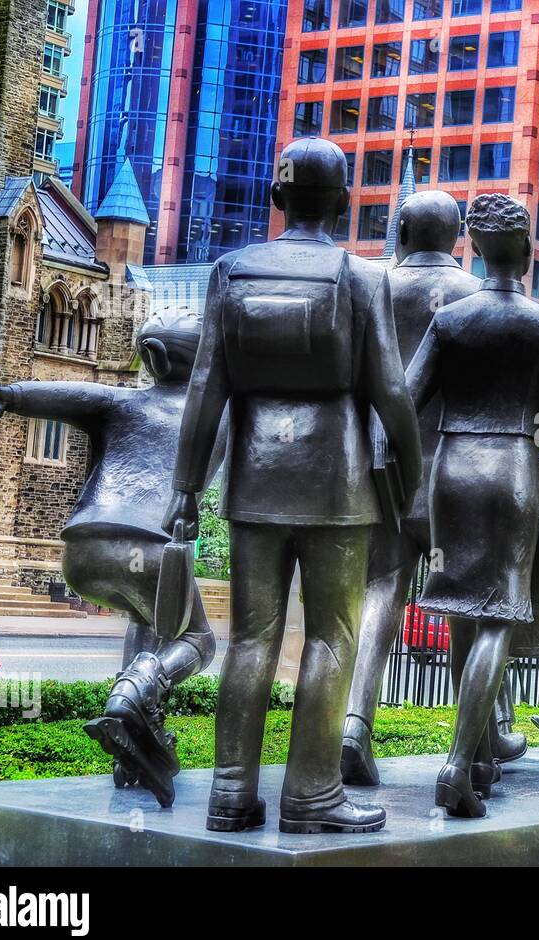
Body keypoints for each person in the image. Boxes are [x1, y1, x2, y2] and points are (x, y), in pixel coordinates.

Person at [164, 136, 423, 834]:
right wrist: (414, 475)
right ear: (343, 202)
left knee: (250, 639)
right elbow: (392, 391)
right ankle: (311, 794)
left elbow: (205, 386)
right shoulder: (361, 277)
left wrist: (186, 485)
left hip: (254, 481)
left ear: (276, 199)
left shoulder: (229, 271)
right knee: (333, 637)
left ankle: (229, 792)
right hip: (335, 485)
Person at [0, 310, 221, 806]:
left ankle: (130, 752)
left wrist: (7, 395)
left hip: (80, 552)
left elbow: (70, 395)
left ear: (152, 358)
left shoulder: (121, 402)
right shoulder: (219, 416)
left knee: (146, 625)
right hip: (151, 547)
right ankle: (137, 690)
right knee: (199, 641)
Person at [408, 193, 539, 818]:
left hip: (452, 468)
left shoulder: (449, 320)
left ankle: (483, 753)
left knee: (463, 609)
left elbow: (406, 397)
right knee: (496, 613)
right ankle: (458, 764)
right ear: (523, 251)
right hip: (510, 467)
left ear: (475, 248)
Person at [340, 191, 483, 787]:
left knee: (379, 594)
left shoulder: (372, 285)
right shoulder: (480, 295)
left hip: (385, 470)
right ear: (459, 237)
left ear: (400, 229)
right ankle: (473, 746)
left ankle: (354, 723)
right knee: (470, 605)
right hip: (459, 475)